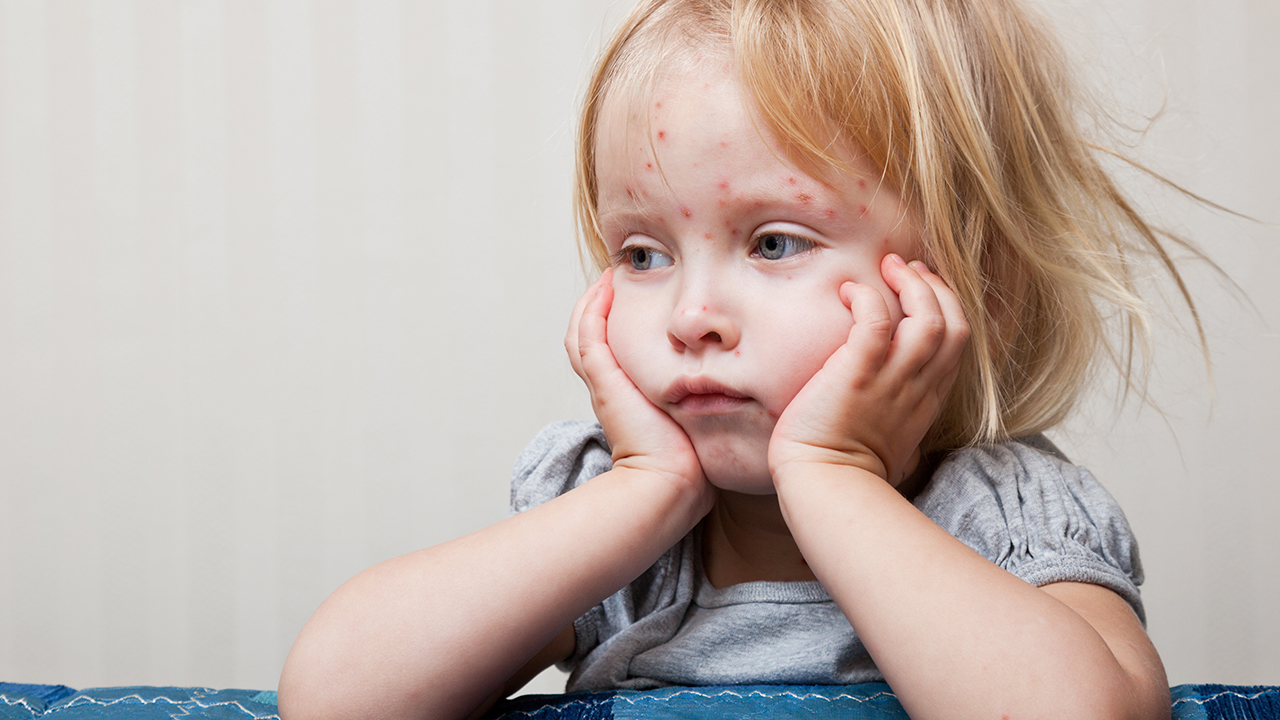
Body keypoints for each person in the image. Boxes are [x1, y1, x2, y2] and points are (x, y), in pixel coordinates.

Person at [278, 0, 1202, 718]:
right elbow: (337, 701)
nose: (691, 315)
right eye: (643, 255)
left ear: (971, 285)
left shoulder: (1004, 515)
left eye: (774, 243)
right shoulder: (621, 536)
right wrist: (643, 493)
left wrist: (834, 477)